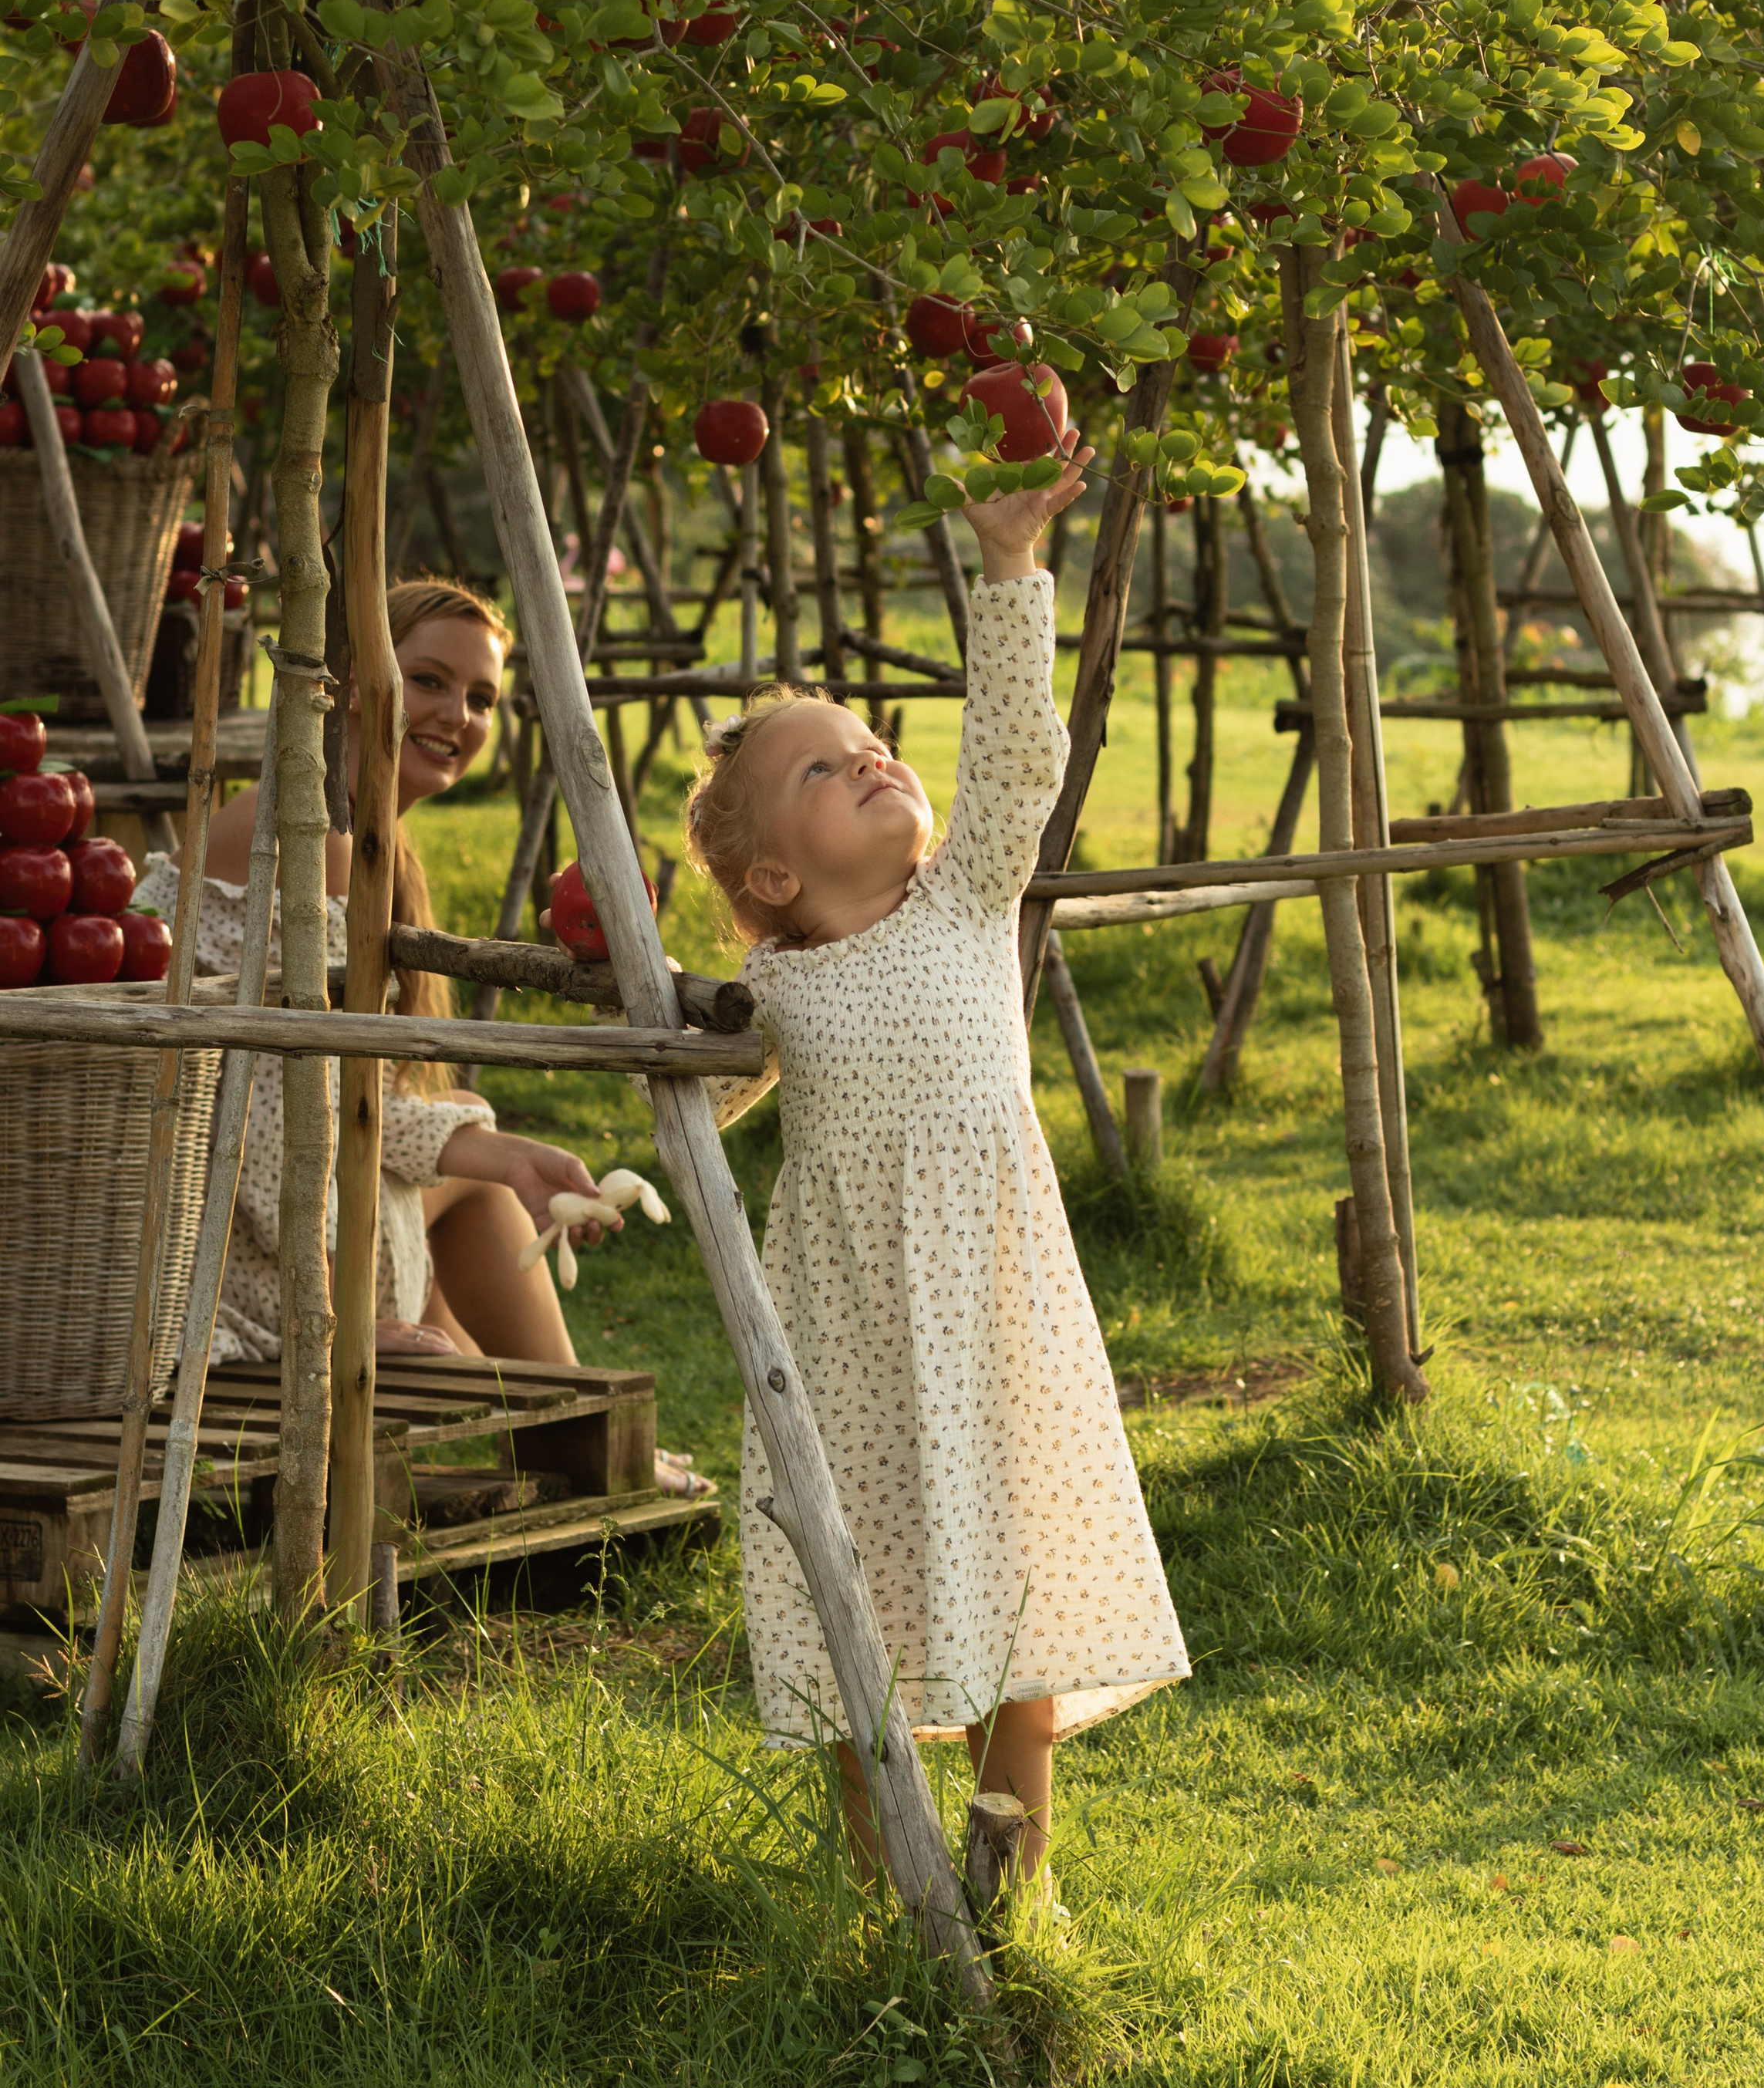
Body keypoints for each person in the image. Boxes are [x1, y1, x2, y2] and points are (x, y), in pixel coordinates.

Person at [684, 454, 1190, 1897]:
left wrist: (1012, 571)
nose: (876, 761)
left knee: (1016, 1603)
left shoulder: (969, 902)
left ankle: (1014, 1895)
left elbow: (1021, 755)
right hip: (849, 1343)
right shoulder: (774, 990)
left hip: (996, 1319)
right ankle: (888, 1899)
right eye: (826, 771)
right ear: (774, 876)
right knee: (865, 1619)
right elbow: (698, 1094)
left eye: (871, 743)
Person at [132, 576, 615, 1367]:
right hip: (207, 1247)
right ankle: (580, 1418)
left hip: (232, 1209)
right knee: (477, 1179)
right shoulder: (307, 834)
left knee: (469, 1124)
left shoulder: (358, 836)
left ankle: (529, 1418)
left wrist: (516, 1156)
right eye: (428, 681)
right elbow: (274, 1114)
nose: (458, 716)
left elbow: (345, 1098)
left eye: (483, 698)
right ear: (352, 685)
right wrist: (321, 1312)